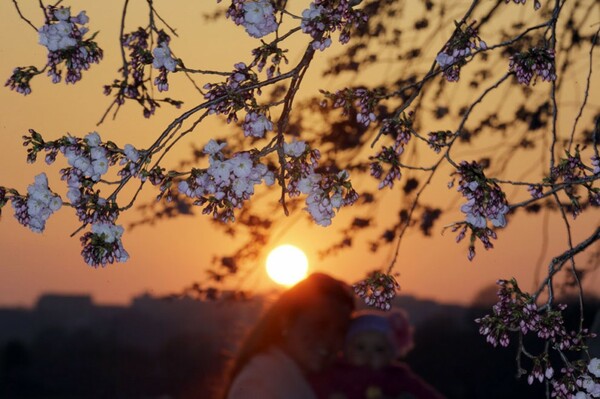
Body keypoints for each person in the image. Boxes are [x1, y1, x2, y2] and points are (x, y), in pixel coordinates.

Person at [224, 273, 355, 399]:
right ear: (286, 321)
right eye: (320, 326)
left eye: (340, 331)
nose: (330, 339)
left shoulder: (316, 383)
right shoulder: (259, 383)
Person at [311, 309, 445, 399]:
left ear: (391, 354)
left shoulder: (398, 377)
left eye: (379, 349)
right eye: (360, 347)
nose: (368, 355)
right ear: (346, 349)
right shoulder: (334, 373)